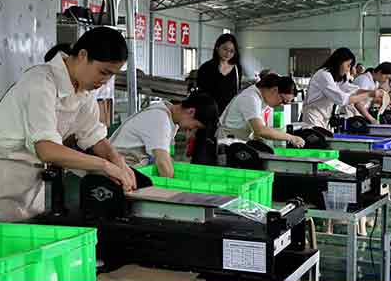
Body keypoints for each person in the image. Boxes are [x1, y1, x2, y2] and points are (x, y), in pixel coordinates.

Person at [0, 26, 136, 222]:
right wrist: (104, 166)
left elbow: (93, 136)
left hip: (31, 183)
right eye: (103, 72)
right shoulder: (40, 82)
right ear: (82, 55)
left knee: (28, 231)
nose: (105, 81)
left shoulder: (83, 90)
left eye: (111, 75)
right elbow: (47, 150)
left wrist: (117, 161)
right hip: (0, 178)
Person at [110, 93, 218, 178]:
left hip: (131, 168)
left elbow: (167, 158)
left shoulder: (170, 118)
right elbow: (163, 163)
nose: (192, 130)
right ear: (191, 111)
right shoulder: (160, 118)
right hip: (117, 171)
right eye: (196, 126)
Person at [301, 48, 383, 129]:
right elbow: (342, 99)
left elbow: (351, 89)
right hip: (313, 116)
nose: (348, 69)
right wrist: (369, 94)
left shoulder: (336, 77)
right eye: (348, 65)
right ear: (339, 62)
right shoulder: (324, 75)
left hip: (324, 117)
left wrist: (372, 92)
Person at [192, 33, 241, 165]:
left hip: (227, 119)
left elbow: (235, 94)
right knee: (204, 152)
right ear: (217, 47)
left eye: (231, 51)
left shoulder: (237, 69)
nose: (228, 53)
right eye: (225, 49)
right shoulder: (206, 68)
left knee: (225, 153)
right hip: (207, 117)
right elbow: (201, 96)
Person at [218, 74, 304, 147]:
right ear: (275, 90)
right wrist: (291, 138)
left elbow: (258, 130)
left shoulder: (264, 100)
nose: (281, 105)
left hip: (239, 141)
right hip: (226, 142)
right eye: (283, 101)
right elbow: (260, 130)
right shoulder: (250, 97)